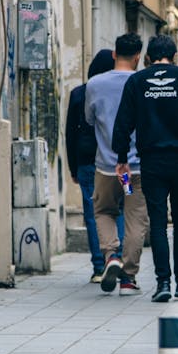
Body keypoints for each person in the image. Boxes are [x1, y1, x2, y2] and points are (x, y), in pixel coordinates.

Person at [112, 33, 178, 303]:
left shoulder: (137, 80)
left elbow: (124, 121)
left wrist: (121, 155)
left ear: (148, 57)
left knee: (157, 223)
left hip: (151, 161)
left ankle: (162, 282)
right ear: (174, 55)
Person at [84, 33, 148, 296]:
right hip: (136, 168)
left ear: (113, 54)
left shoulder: (95, 84)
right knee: (135, 217)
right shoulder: (141, 82)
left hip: (108, 167)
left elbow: (89, 120)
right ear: (137, 57)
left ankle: (111, 255)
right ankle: (129, 278)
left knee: (104, 210)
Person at [65, 48, 123, 282]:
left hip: (89, 165)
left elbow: (70, 133)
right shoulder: (123, 90)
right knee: (125, 205)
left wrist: (73, 168)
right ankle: (118, 257)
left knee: (93, 212)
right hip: (122, 165)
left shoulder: (80, 93)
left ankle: (100, 266)